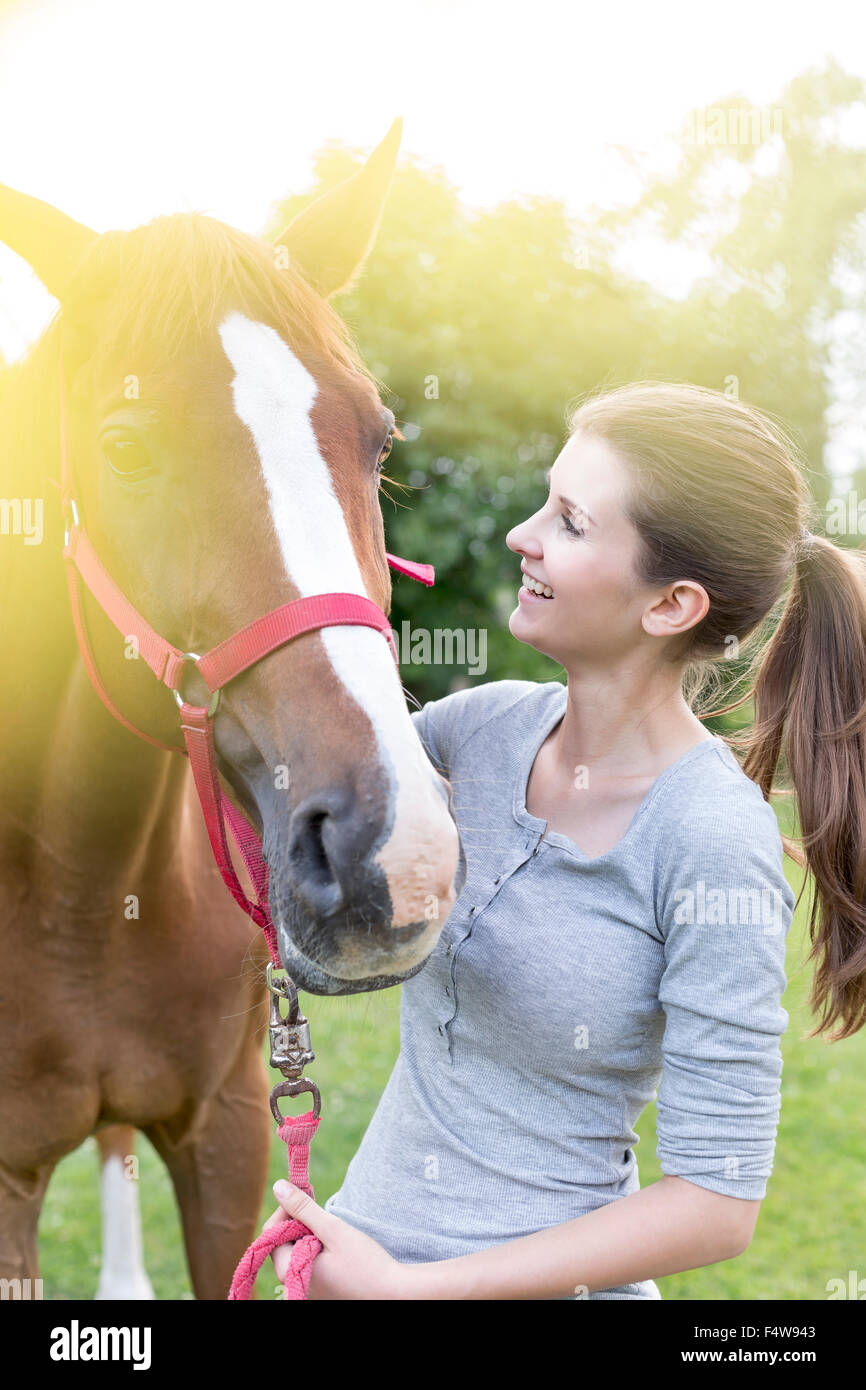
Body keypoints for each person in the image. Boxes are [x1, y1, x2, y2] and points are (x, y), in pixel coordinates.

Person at [264, 380, 866, 1299]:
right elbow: (290, 803)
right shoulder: (482, 732)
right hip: (358, 1256)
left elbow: (718, 1202)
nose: (522, 535)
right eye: (546, 500)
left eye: (572, 522)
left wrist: (420, 1290)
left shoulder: (711, 839)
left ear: (670, 606)